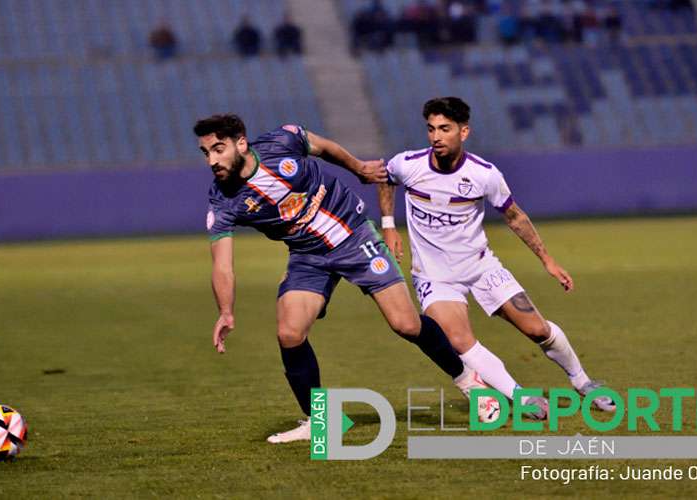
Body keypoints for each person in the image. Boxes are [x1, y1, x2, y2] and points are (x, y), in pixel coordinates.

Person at [195, 114, 497, 444]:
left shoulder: (282, 141)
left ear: (241, 143)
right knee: (289, 332)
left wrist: (360, 169)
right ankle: (321, 420)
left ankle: (469, 380)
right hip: (307, 256)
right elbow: (222, 265)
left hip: (353, 236)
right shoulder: (222, 199)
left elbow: (323, 147)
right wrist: (226, 311)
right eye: (206, 153)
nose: (212, 160)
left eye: (218, 149)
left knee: (406, 324)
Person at [377, 97, 615, 413]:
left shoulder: (484, 174)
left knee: (537, 329)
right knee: (460, 341)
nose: (436, 137)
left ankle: (583, 381)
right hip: (435, 277)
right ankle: (519, 396)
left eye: (445, 129)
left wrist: (547, 260)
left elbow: (514, 216)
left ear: (464, 132)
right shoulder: (408, 164)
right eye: (431, 129)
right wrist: (389, 225)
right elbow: (384, 176)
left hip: (482, 267)